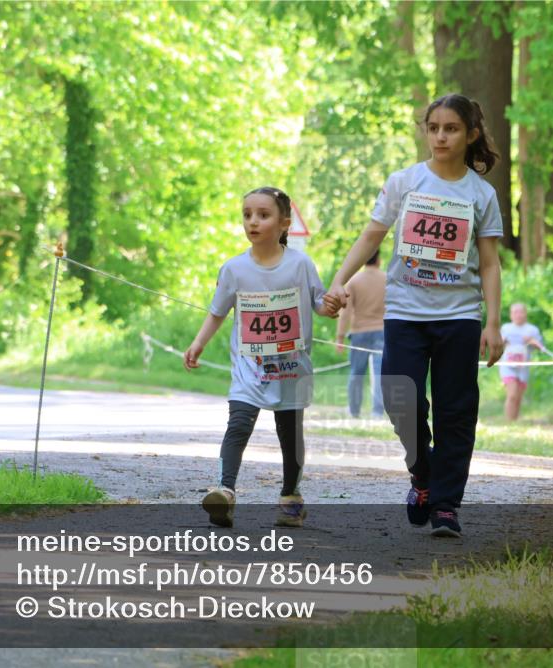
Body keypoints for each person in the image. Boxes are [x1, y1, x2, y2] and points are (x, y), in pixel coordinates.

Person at [324, 93, 505, 538]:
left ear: (471, 135)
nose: (440, 137)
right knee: (399, 399)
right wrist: (339, 280)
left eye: (451, 129)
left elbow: (489, 264)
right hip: (404, 312)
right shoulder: (404, 182)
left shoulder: (481, 194)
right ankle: (423, 475)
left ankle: (445, 506)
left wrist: (493, 323)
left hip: (460, 316)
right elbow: (372, 235)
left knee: (455, 411)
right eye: (433, 128)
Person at [184, 187, 334, 529]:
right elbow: (217, 311)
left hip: (291, 368)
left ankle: (290, 498)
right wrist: (198, 343)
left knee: (290, 436)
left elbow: (320, 303)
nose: (253, 221)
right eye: (247, 214)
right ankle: (225, 492)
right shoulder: (234, 269)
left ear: (284, 224)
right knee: (238, 425)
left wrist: (333, 306)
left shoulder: (300, 264)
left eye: (263, 215)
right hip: (249, 367)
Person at [336, 250, 386, 419]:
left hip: (359, 332)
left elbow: (345, 312)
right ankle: (377, 412)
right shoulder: (387, 279)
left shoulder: (354, 281)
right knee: (380, 373)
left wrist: (340, 337)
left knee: (356, 373)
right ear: (378, 260)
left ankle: (354, 410)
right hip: (382, 331)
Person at [498, 303, 544, 421]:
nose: (518, 315)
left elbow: (541, 347)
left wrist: (531, 340)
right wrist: (502, 342)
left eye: (521, 312)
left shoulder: (532, 330)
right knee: (512, 395)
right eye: (515, 312)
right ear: (511, 315)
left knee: (518, 397)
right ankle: (509, 421)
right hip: (508, 366)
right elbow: (497, 345)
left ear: (525, 314)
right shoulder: (506, 328)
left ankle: (514, 421)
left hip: (523, 367)